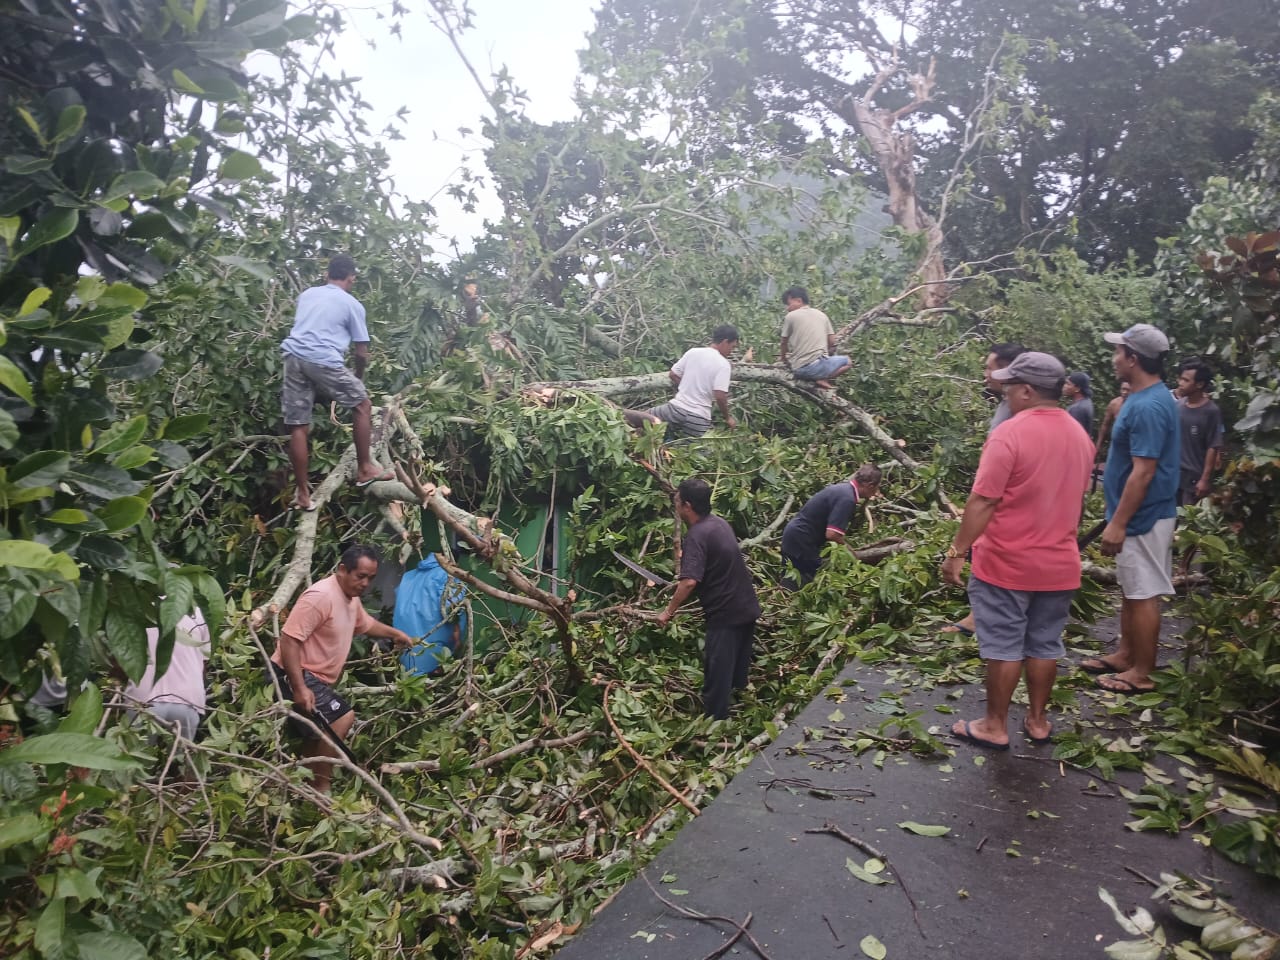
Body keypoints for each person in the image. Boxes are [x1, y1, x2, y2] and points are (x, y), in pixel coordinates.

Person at [940, 353, 1095, 749]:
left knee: (1004, 645)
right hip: (1060, 562)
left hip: (1008, 562)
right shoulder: (1080, 435)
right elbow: (1078, 498)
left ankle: (995, 724)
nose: (1004, 391)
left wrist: (957, 550)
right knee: (1045, 643)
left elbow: (983, 501)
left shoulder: (1010, 433)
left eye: (1009, 385)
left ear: (1026, 391)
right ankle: (1038, 720)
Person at [1081, 324, 1180, 694]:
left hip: (1144, 516)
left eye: (1118, 352)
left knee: (1143, 592)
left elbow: (1144, 471)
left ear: (1134, 358)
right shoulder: (1141, 398)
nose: (1114, 359)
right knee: (1131, 589)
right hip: (1136, 514)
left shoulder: (1150, 406)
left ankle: (1143, 672)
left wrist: (1119, 523)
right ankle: (1126, 655)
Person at [269, 544, 412, 792]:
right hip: (290, 674)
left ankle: (305, 793)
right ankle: (322, 787)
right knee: (342, 718)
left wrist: (395, 633)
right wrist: (300, 687)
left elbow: (365, 624)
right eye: (361, 576)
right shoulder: (321, 596)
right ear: (343, 570)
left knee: (315, 737)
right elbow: (289, 640)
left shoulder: (350, 599)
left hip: (316, 679)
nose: (365, 583)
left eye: (370, 578)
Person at [281, 255, 394, 511]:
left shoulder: (308, 295)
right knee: (363, 405)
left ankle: (302, 492)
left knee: (298, 426)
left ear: (327, 274)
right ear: (351, 277)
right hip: (322, 359)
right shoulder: (352, 304)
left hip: (292, 357)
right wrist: (358, 377)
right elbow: (361, 352)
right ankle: (365, 469)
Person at [939, 342, 1026, 635]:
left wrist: (956, 550)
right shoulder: (1006, 403)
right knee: (985, 551)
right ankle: (981, 614)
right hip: (995, 489)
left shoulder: (1019, 412)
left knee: (987, 551)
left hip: (1003, 496)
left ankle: (983, 620)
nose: (985, 373)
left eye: (989, 367)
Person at [657, 479, 762, 720]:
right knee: (736, 674)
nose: (675, 506)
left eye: (676, 502)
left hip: (726, 614)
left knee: (717, 677)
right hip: (747, 606)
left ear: (687, 506)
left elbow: (690, 581)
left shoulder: (697, 535)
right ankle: (742, 716)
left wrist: (668, 611)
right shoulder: (719, 524)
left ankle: (717, 728)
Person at [624, 326, 739, 439]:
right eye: (732, 347)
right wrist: (727, 417)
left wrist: (686, 386)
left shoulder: (693, 352)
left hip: (675, 410)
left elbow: (673, 374)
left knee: (643, 419)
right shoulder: (723, 365)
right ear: (725, 342)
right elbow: (720, 395)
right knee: (692, 454)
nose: (731, 352)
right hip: (698, 419)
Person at [780, 464, 883, 586]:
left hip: (795, 535)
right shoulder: (847, 498)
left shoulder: (843, 489)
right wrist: (851, 553)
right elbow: (832, 534)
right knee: (807, 580)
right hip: (802, 540)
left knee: (792, 578)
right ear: (870, 485)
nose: (876, 492)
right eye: (876, 487)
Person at [124, 610, 211, 740]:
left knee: (138, 755)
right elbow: (204, 664)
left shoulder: (135, 606)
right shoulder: (200, 614)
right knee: (181, 757)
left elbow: (121, 659)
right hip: (187, 699)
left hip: (142, 700)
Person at [778, 286, 851, 389]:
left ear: (799, 301)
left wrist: (784, 359)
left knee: (814, 364)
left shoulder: (791, 316)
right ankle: (824, 379)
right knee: (848, 361)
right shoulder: (822, 315)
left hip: (799, 370)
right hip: (819, 367)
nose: (787, 308)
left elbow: (783, 343)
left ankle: (820, 378)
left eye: (788, 304)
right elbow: (832, 342)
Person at [1174, 359, 1224, 506]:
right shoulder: (1178, 406)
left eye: (1185, 380)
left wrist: (1204, 479)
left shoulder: (1211, 411)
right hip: (1173, 474)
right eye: (1181, 378)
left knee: (1187, 523)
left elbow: (1213, 446)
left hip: (1194, 478)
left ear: (1200, 384)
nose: (1180, 383)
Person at [1095, 381, 1132, 455]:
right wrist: (1099, 443)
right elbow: (1105, 424)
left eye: (1128, 390)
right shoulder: (1114, 404)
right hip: (1117, 444)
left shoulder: (1137, 405)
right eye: (1123, 389)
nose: (1124, 392)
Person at [1063, 371, 1094, 437]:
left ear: (1077, 389)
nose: (1064, 386)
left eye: (1068, 384)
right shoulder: (1086, 400)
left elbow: (1073, 435)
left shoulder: (1077, 409)